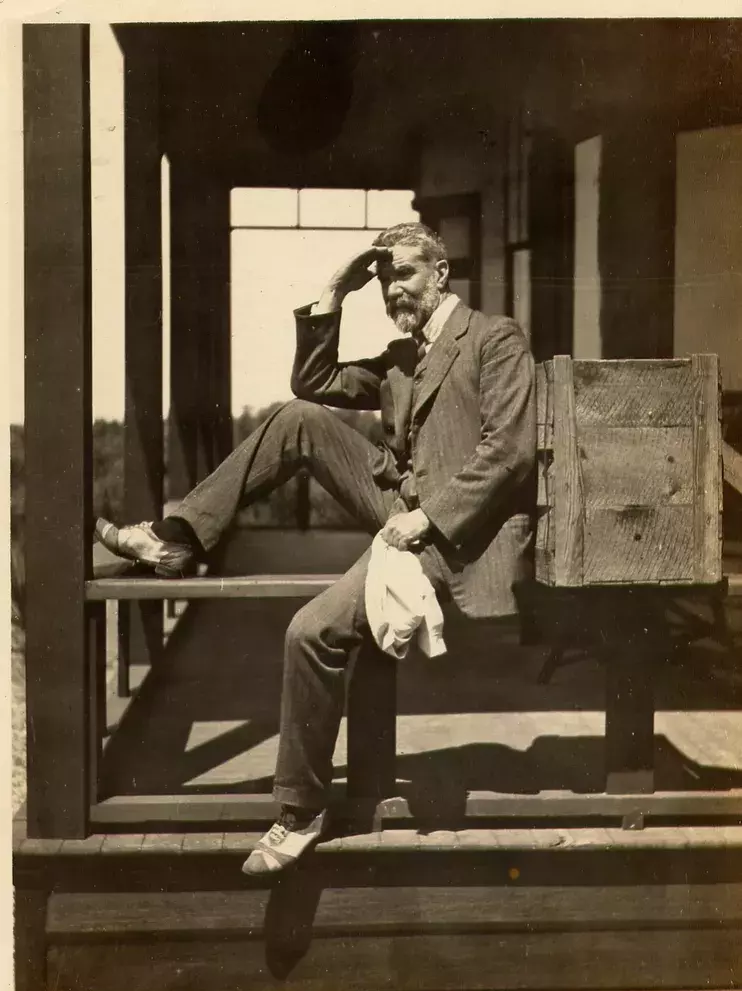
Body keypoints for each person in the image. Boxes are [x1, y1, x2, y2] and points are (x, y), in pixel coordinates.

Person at [96, 222, 537, 875]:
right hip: (402, 511)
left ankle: (299, 813)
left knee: (311, 631)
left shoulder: (493, 338)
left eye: (405, 275)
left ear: (440, 274)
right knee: (296, 419)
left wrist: (430, 520)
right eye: (384, 280)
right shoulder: (399, 358)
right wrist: (335, 290)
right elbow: (313, 381)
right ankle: (178, 537)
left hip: (459, 535)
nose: (392, 290)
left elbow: (511, 453)